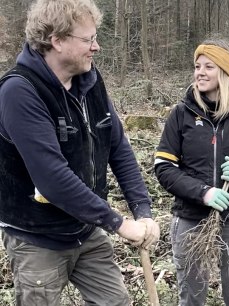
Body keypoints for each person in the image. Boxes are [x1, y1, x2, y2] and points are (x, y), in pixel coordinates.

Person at [0, 0, 160, 305]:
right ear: (57, 40)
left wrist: (142, 209)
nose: (96, 47)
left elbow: (118, 147)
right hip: (37, 239)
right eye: (88, 39)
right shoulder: (19, 92)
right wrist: (120, 223)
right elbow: (52, 178)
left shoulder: (90, 81)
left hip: (86, 232)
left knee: (114, 301)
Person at [154, 37, 229, 306]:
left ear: (225, 72)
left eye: (209, 66)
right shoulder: (181, 114)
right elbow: (164, 168)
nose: (200, 72)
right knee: (192, 298)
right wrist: (203, 193)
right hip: (190, 219)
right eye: (197, 66)